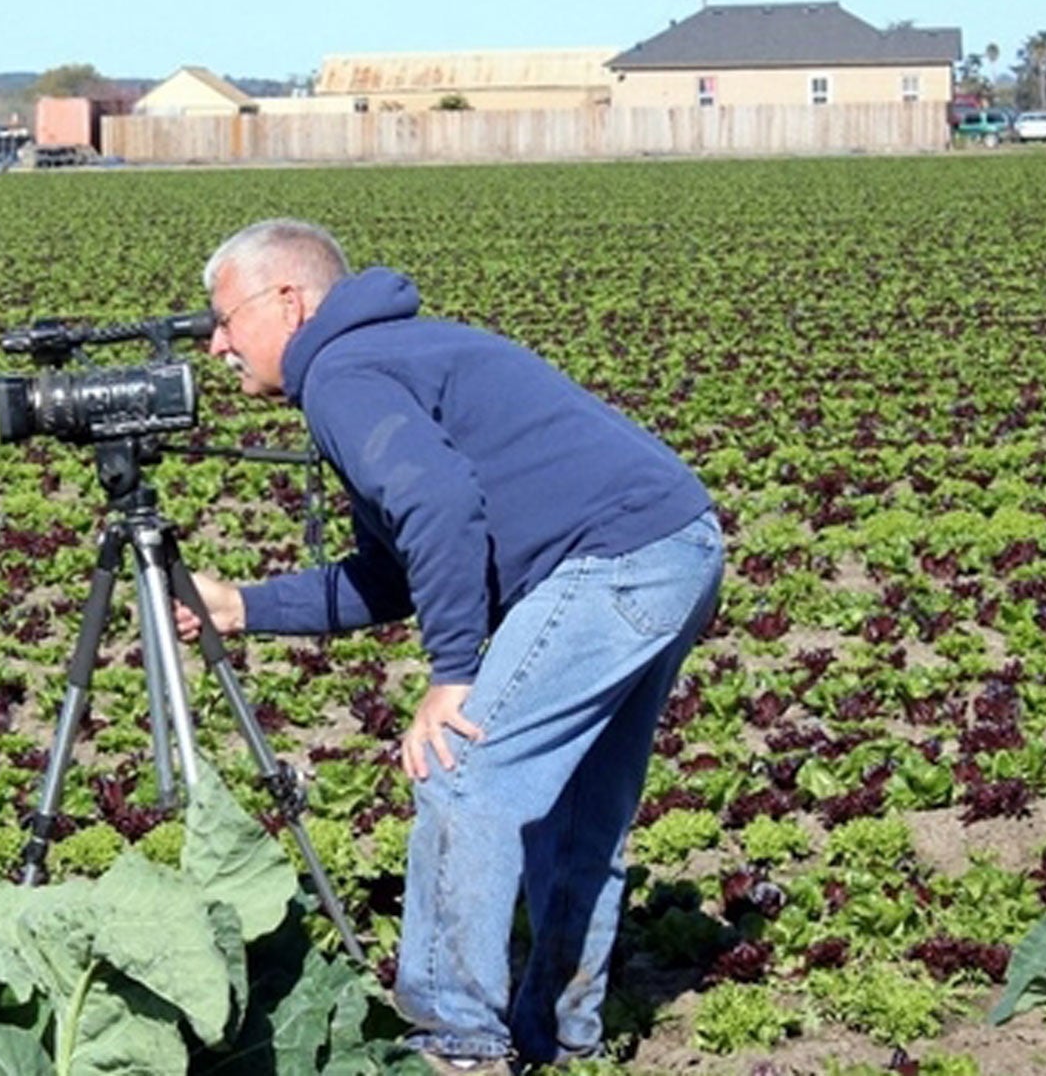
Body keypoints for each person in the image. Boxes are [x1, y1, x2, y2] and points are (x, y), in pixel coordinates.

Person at [174, 218, 723, 1072]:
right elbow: (391, 572)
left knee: (461, 770)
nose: (215, 345)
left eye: (224, 319)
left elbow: (437, 508)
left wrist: (453, 674)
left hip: (612, 561)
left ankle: (454, 1045)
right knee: (574, 811)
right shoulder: (385, 354)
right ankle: (559, 1036)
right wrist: (242, 607)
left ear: (289, 301)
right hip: (672, 544)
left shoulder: (343, 374)